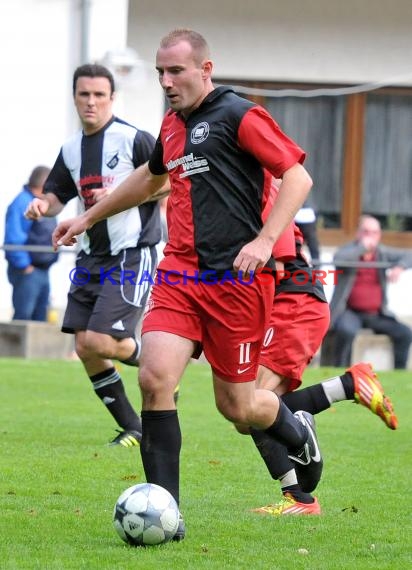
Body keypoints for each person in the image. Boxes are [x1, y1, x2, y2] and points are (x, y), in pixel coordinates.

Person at [50, 29, 320, 540]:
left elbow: (297, 176)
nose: (166, 82)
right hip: (179, 274)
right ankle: (165, 514)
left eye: (175, 72)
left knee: (237, 407)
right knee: (154, 378)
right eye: (160, 73)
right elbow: (149, 180)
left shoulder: (240, 114)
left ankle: (296, 428)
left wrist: (265, 240)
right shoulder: (172, 125)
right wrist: (87, 217)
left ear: (205, 69)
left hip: (236, 281)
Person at [25, 64, 162, 447]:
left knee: (101, 340)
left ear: (112, 98)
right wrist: (42, 206)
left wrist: (122, 195)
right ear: (74, 97)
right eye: (84, 94)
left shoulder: (134, 139)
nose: (91, 102)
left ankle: (161, 361)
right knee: (85, 347)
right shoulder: (71, 149)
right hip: (90, 257)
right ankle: (133, 426)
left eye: (99, 95)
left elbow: (169, 183)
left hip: (132, 253)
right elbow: (56, 196)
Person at [235, 217, 397, 515]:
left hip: (295, 303)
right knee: (249, 412)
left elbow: (278, 256)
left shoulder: (264, 187)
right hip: (285, 303)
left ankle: (299, 497)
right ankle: (349, 385)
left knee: (251, 404)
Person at [327, 215, 412, 368]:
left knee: (405, 333)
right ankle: (339, 372)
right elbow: (338, 258)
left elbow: (409, 255)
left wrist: (400, 266)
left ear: (379, 236)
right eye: (366, 232)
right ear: (358, 233)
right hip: (349, 311)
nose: (370, 236)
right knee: (345, 331)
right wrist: (361, 248)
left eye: (374, 233)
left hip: (377, 313)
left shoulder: (382, 253)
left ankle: (399, 374)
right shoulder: (348, 251)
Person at [4, 165, 58, 321]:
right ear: (44, 185)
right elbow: (13, 238)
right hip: (27, 271)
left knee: (40, 318)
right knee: (23, 318)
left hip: (42, 270)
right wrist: (25, 267)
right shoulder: (22, 202)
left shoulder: (43, 203)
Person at [294, 195, 320, 263]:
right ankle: (316, 269)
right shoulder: (311, 205)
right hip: (308, 228)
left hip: (302, 226)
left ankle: (316, 269)